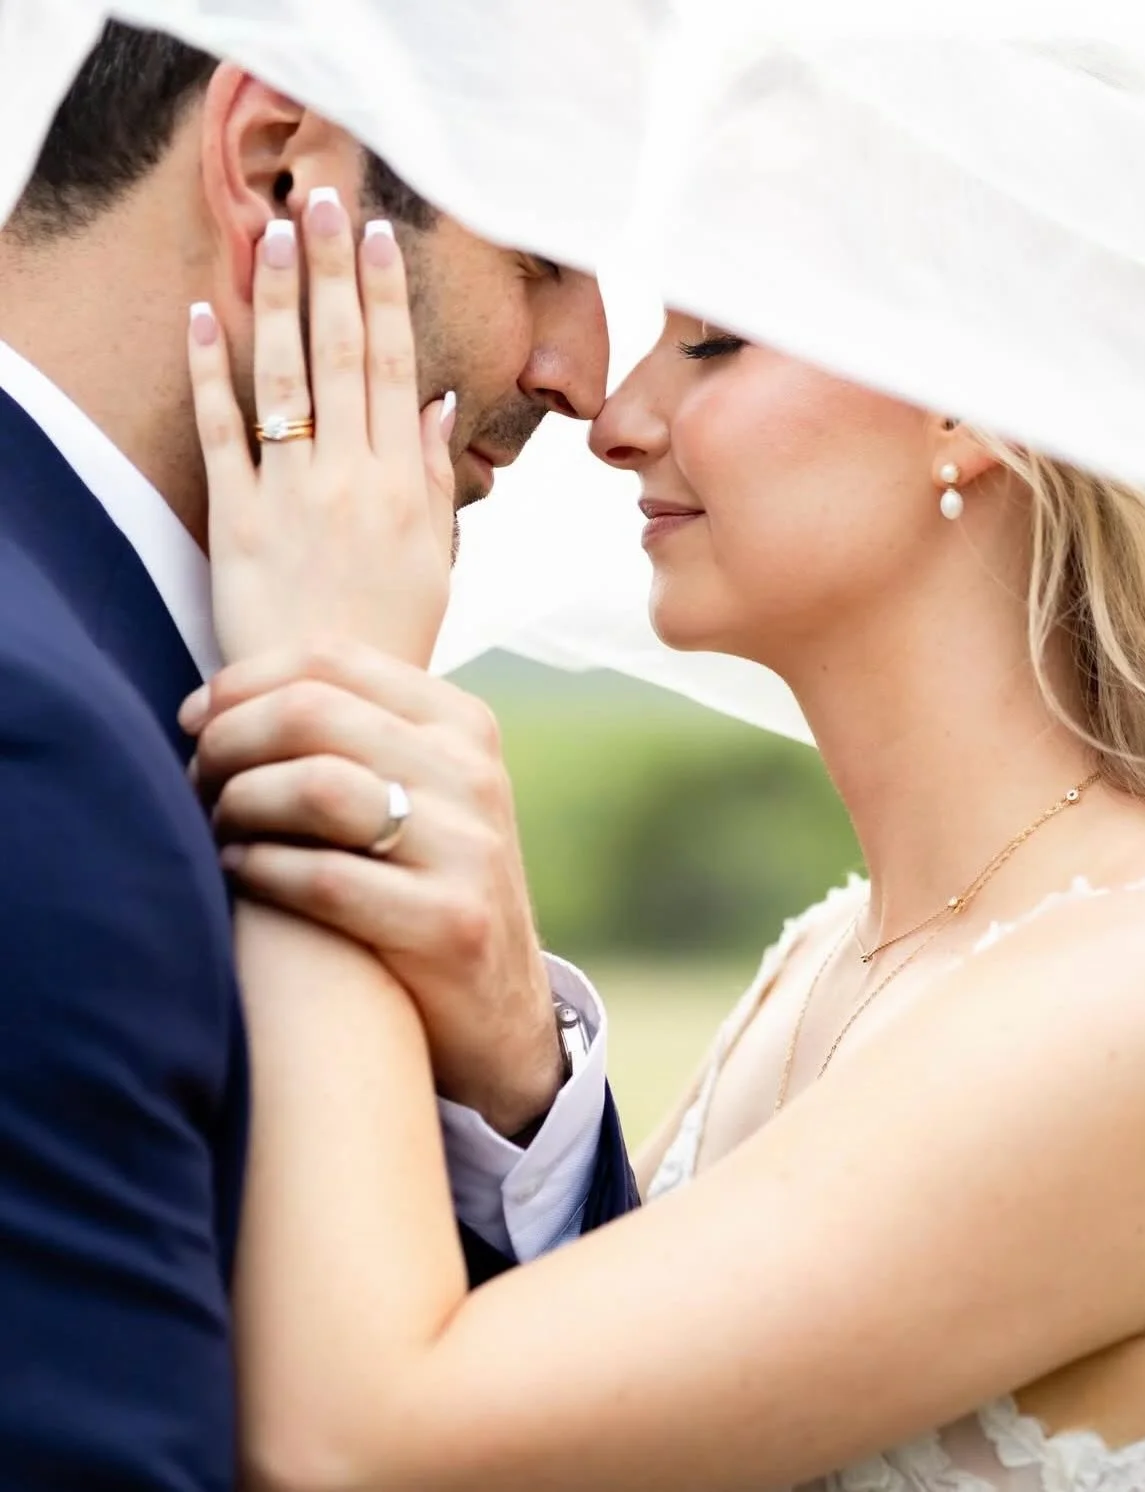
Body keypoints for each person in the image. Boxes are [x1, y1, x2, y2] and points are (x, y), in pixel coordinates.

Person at [189, 202, 1145, 1486]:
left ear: (969, 401)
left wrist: (324, 688)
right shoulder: (825, 957)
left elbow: (362, 1444)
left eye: (713, 344)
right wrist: (510, 1052)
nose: (615, 422)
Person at [0, 20, 637, 1489]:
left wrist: (514, 1090)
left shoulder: (117, 677)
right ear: (281, 169)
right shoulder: (37, 747)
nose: (587, 375)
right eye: (543, 253)